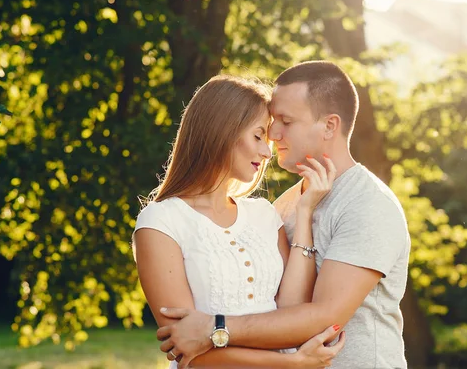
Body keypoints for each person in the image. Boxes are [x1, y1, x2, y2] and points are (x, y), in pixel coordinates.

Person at [157, 61, 411, 369]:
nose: (273, 133)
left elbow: (326, 316)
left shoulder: (368, 204)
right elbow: (276, 308)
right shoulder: (284, 207)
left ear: (330, 125)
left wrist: (215, 328)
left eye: (286, 121)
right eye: (271, 121)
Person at [132, 74, 345, 369]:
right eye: (258, 136)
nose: (267, 152)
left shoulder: (263, 214)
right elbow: (187, 349)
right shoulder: (161, 221)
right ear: (222, 130)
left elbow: (290, 311)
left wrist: (305, 211)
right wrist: (293, 364)